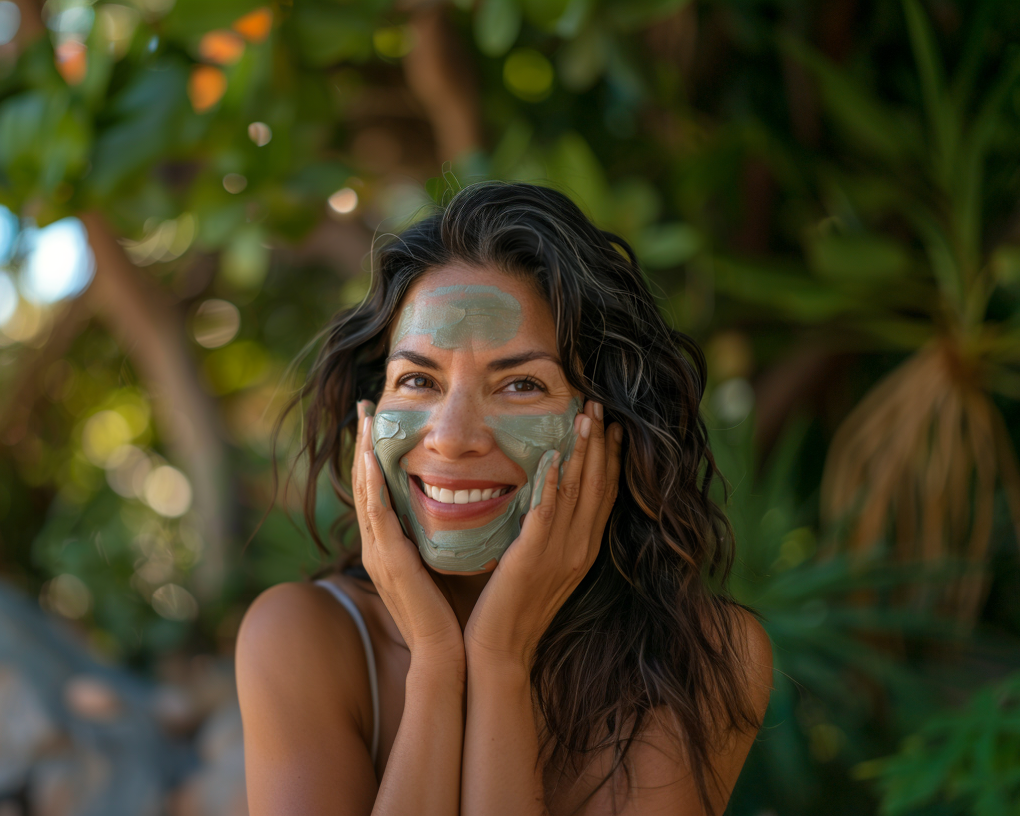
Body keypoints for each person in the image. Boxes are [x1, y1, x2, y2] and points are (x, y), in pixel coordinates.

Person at [236, 182, 773, 816]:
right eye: (416, 379)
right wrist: (438, 664)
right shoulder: (304, 639)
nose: (452, 437)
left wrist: (499, 660)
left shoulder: (702, 660)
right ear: (371, 415)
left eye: (521, 384)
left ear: (611, 426)